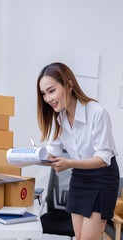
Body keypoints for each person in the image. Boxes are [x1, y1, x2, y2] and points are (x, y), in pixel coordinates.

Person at [37, 62, 119, 240]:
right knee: (80, 237)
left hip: (102, 178)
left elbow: (104, 158)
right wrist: (38, 157)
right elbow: (54, 150)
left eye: (51, 91)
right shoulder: (59, 117)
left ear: (69, 85)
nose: (48, 98)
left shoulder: (97, 113)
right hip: (80, 179)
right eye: (44, 93)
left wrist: (69, 164)